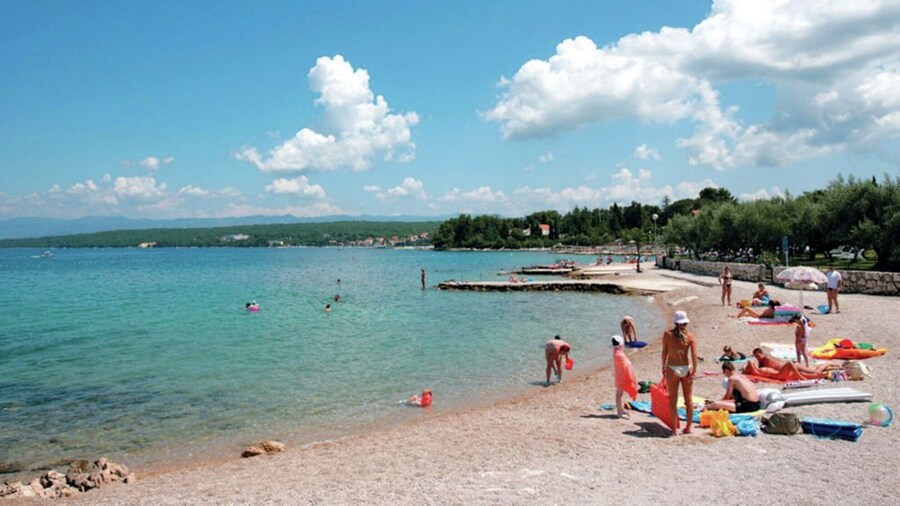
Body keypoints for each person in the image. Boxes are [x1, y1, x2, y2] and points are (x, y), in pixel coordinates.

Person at [661, 311, 698, 435]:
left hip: (672, 368)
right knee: (688, 399)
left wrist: (663, 366)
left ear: (675, 322)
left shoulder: (667, 335)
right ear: (686, 323)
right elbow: (694, 355)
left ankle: (674, 430)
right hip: (685, 368)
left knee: (673, 400)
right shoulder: (690, 336)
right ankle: (688, 427)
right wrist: (694, 370)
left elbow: (664, 352)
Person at [751, 348, 834, 375]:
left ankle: (827, 364)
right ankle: (829, 368)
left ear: (762, 353)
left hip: (793, 366)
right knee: (812, 371)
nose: (757, 358)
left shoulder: (766, 358)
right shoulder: (763, 359)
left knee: (816, 372)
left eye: (758, 356)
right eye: (756, 357)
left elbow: (763, 368)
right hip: (790, 367)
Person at [612, 335, 638, 418]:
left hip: (620, 375)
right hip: (622, 376)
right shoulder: (619, 355)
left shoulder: (616, 352)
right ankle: (619, 411)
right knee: (619, 394)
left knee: (619, 394)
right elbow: (626, 365)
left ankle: (620, 410)